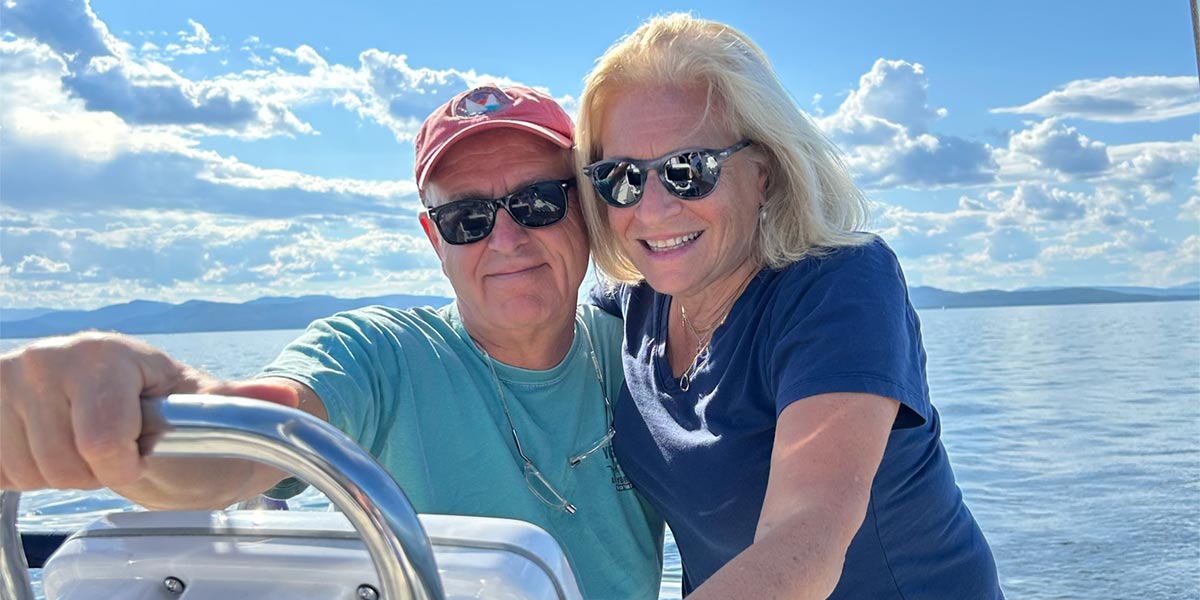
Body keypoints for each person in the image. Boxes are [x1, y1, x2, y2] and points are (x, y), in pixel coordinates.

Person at [0, 85, 663, 599]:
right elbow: (248, 439)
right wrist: (122, 415)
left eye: (538, 202)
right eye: (467, 218)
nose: (507, 239)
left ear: (584, 206)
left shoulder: (642, 352)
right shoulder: (378, 353)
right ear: (435, 241)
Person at [574, 14, 1003, 599]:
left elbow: (805, 534)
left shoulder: (840, 285)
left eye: (688, 171)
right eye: (621, 178)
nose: (651, 210)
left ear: (765, 171)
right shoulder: (639, 300)